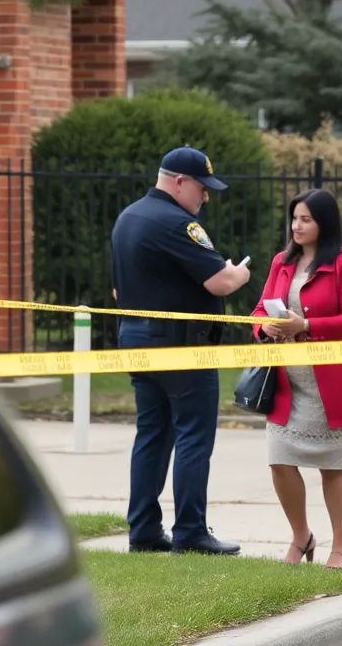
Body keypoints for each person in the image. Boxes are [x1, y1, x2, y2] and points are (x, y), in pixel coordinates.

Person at [110, 146, 252, 556]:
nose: (205, 197)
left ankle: (144, 530)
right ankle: (190, 531)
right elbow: (219, 283)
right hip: (180, 345)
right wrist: (238, 272)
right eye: (202, 188)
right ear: (178, 182)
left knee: (152, 434)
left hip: (136, 337)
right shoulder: (178, 223)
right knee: (193, 435)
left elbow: (118, 290)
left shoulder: (129, 217)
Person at [250, 189, 342, 569]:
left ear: (324, 223)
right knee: (280, 461)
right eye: (294, 218)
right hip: (287, 382)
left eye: (306, 219)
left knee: (332, 465)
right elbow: (257, 310)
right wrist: (264, 327)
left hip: (329, 383)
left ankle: (341, 546)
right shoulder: (281, 262)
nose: (296, 226)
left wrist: (308, 325)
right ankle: (301, 537)